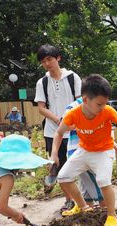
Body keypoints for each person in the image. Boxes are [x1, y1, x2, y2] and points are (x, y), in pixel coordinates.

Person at [50, 74, 117, 226]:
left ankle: (112, 215)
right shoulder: (73, 114)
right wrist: (54, 154)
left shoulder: (107, 111)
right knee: (63, 177)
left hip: (104, 151)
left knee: (103, 180)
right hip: (84, 150)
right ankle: (83, 207)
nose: (103, 107)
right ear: (86, 100)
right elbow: (59, 133)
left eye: (105, 103)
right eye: (99, 104)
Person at [34, 44, 81, 211]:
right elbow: (41, 107)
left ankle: (83, 200)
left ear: (58, 58)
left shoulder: (73, 77)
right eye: (43, 61)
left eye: (49, 59)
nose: (47, 64)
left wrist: (68, 120)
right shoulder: (43, 82)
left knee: (77, 166)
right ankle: (69, 200)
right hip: (52, 131)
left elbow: (80, 101)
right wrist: (59, 119)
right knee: (60, 165)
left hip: (74, 132)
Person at [62, 97, 105, 208]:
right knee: (98, 185)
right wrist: (81, 124)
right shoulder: (73, 108)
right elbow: (64, 126)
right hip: (80, 151)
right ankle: (103, 211)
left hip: (89, 150)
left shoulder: (98, 105)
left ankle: (89, 213)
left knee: (87, 186)